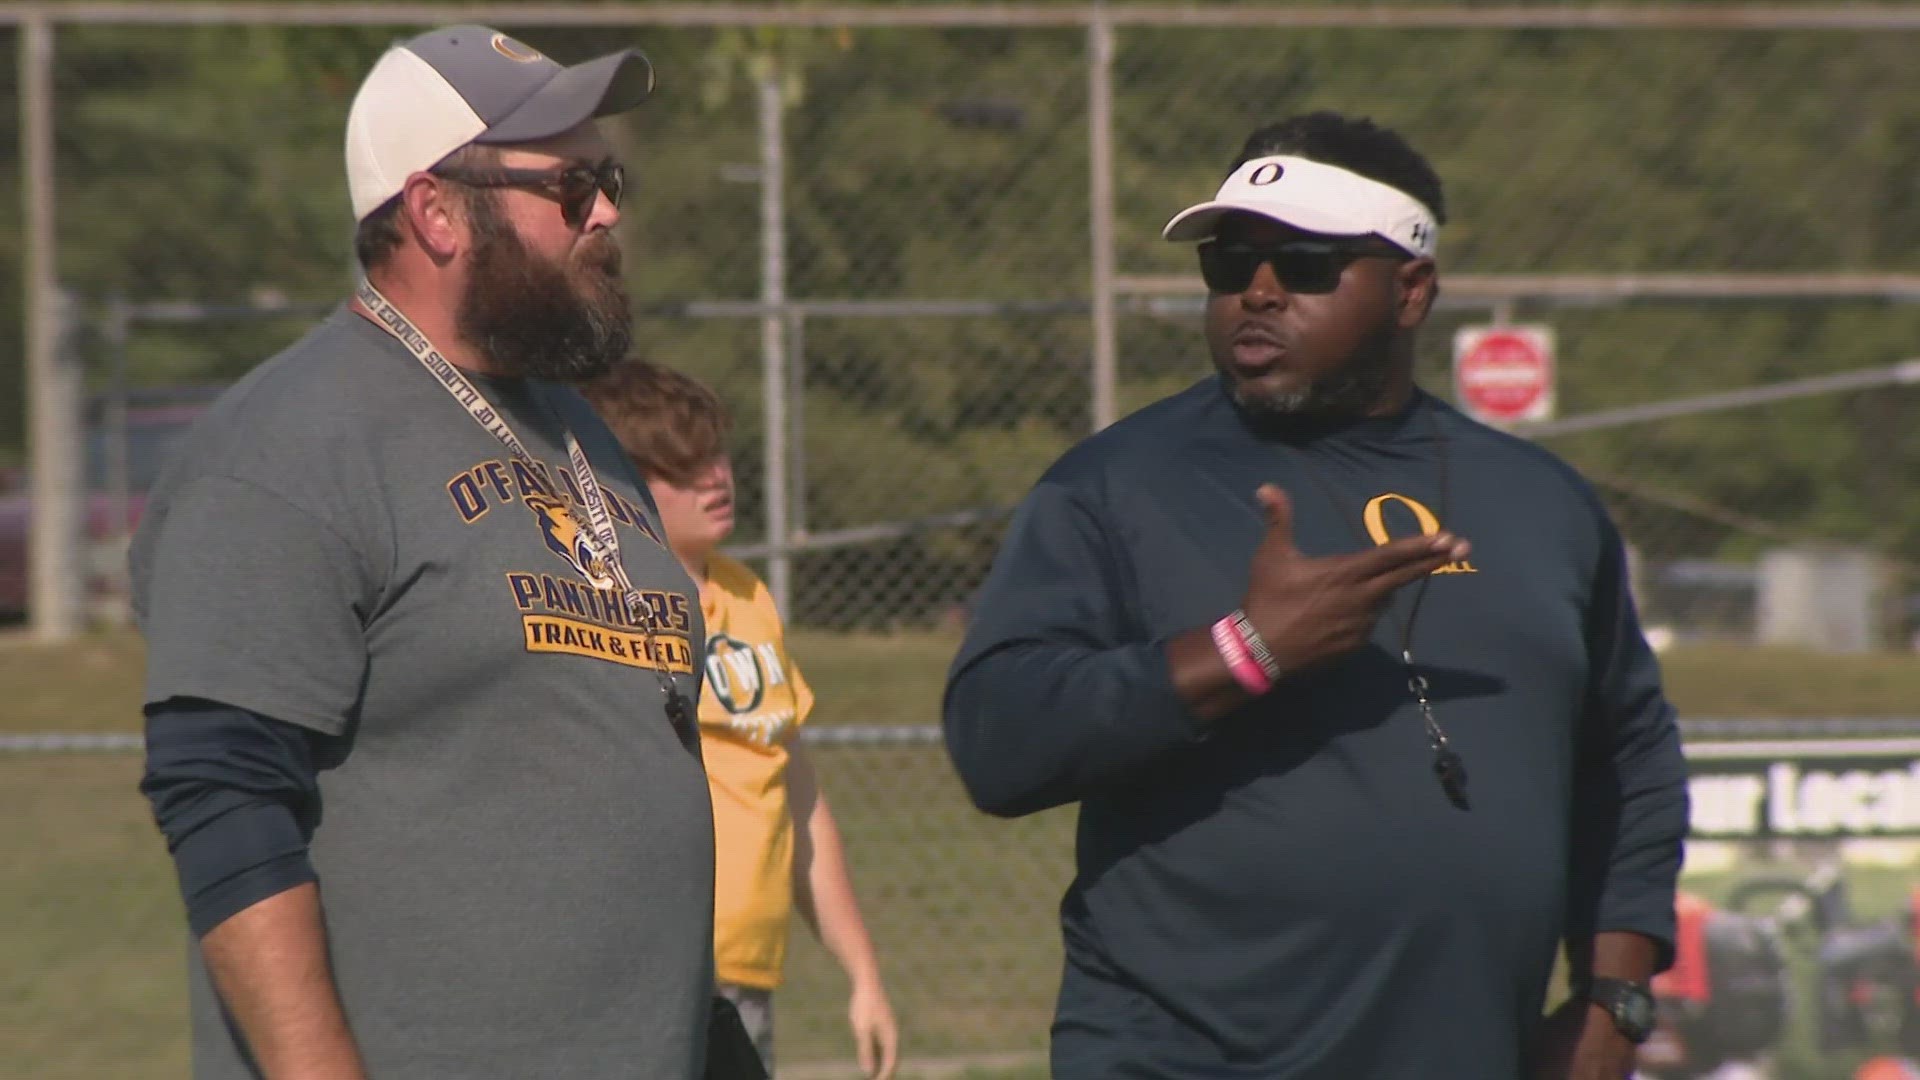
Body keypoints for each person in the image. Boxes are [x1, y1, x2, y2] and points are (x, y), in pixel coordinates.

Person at [942, 111, 1690, 1079]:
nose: (1256, 292)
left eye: (1303, 264)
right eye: (1229, 263)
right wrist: (1245, 650)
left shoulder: (1541, 504)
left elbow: (1630, 757)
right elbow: (998, 744)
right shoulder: (1115, 486)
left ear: (1410, 290)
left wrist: (1614, 1004)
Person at [131, 26, 716, 1080]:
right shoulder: (286, 447)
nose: (609, 212)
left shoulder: (580, 433)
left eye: (609, 177)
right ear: (436, 211)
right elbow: (223, 796)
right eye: (573, 186)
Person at [584, 359, 902, 1080]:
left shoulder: (750, 597)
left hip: (747, 974)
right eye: (682, 467)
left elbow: (797, 794)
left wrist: (864, 975)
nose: (715, 479)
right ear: (617, 480)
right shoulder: (604, 605)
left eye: (715, 455)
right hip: (647, 972)